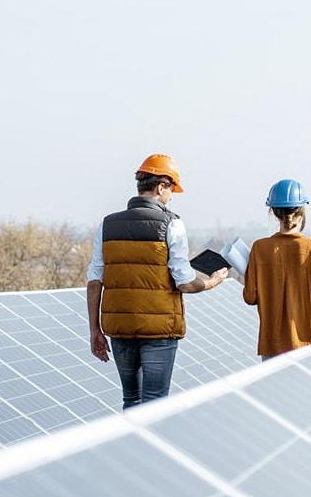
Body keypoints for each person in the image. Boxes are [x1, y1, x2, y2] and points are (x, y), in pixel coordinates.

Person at [86, 153, 228, 408]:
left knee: (131, 400)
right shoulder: (171, 224)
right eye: (171, 189)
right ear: (161, 186)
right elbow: (184, 282)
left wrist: (94, 329)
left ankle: (130, 448)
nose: (171, 196)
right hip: (159, 331)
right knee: (155, 405)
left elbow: (95, 279)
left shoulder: (107, 225)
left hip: (120, 329)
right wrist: (212, 281)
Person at [243, 179, 311, 360]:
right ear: (302, 210)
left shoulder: (259, 248)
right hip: (306, 343)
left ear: (274, 213)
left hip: (271, 345)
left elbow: (250, 297)